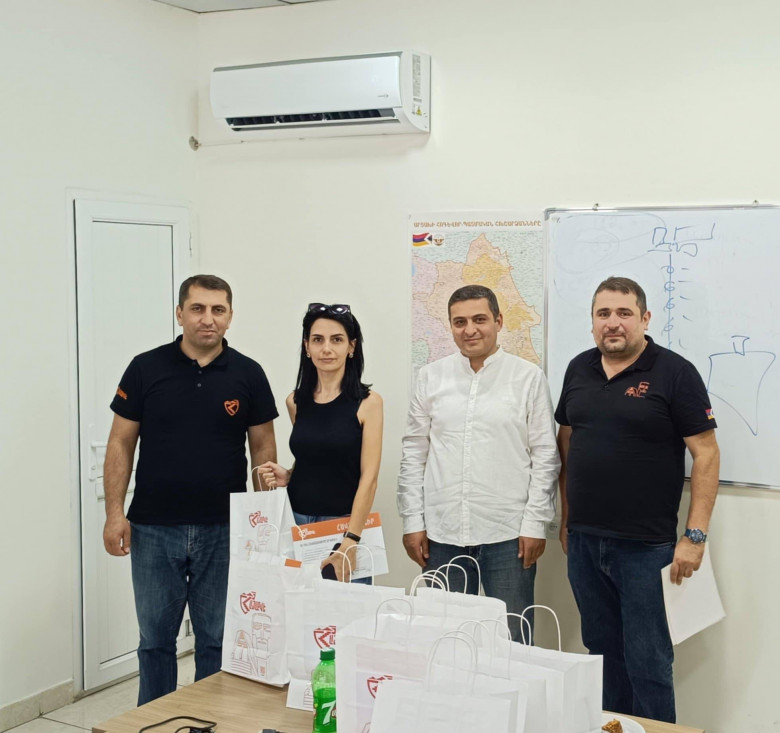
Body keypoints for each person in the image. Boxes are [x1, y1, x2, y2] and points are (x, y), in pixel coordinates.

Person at [103, 275, 278, 705]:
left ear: (230, 317)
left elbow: (263, 452)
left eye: (218, 310)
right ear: (180, 313)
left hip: (224, 531)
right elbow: (120, 443)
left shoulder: (249, 374)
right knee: (155, 642)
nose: (208, 319)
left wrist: (264, 527)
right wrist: (114, 513)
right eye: (198, 308)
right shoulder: (145, 368)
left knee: (216, 640)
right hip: (153, 528)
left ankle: (207, 724)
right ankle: (152, 724)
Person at [555, 276, 720, 723]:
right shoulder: (578, 369)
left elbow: (706, 454)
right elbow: (567, 444)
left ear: (645, 319)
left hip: (647, 549)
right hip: (585, 544)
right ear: (592, 321)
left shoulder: (675, 372)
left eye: (624, 313)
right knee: (601, 655)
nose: (613, 323)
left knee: (648, 662)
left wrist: (695, 536)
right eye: (603, 313)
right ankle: (614, 729)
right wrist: (567, 520)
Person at [397, 285, 560, 639]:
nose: (469, 329)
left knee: (514, 641)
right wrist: (412, 521)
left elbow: (546, 457)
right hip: (441, 535)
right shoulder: (431, 377)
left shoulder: (527, 378)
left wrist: (536, 524)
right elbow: (413, 453)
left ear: (498, 321)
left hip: (508, 536)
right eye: (460, 322)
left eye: (479, 319)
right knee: (445, 641)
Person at [258, 303, 383, 583]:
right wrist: (290, 475)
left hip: (344, 526)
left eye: (336, 340)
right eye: (318, 340)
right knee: (299, 607)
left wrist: (351, 539)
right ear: (307, 347)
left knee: (348, 609)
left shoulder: (369, 403)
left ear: (351, 347)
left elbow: (369, 479)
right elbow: (319, 455)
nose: (326, 349)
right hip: (297, 524)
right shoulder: (295, 401)